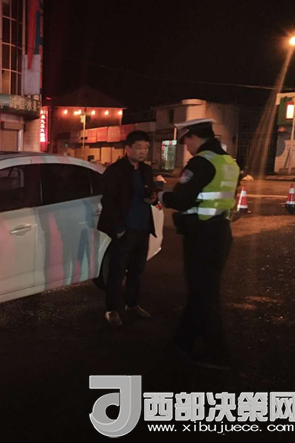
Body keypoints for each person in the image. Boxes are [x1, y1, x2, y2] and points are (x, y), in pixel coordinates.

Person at [158, 118, 240, 371]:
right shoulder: (228, 161)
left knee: (203, 294)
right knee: (203, 291)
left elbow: (182, 199)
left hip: (202, 235)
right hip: (220, 231)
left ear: (193, 137)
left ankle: (218, 354)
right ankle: (182, 343)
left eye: (186, 142)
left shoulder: (201, 162)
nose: (187, 147)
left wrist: (161, 195)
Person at [98, 130, 158, 327]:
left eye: (146, 148)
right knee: (117, 271)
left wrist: (153, 198)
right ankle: (111, 309)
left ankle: (132, 304)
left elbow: (151, 192)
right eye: (139, 147)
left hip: (143, 228)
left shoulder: (146, 170)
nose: (143, 152)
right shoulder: (115, 171)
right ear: (128, 148)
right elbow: (108, 201)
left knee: (136, 270)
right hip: (125, 229)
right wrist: (119, 229)